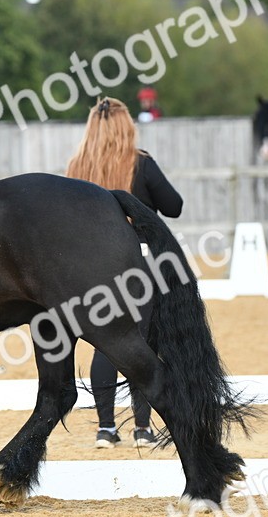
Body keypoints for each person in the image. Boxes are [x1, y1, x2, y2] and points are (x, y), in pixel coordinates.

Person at [65, 97, 183, 449]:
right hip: (137, 262)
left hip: (88, 266)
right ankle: (143, 428)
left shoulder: (76, 167)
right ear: (126, 126)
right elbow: (174, 206)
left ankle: (105, 427)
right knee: (139, 342)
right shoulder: (139, 163)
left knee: (104, 342)